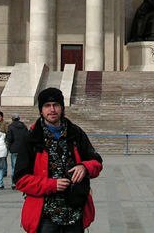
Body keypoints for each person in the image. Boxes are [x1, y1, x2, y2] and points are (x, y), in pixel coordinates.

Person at [14, 87, 103, 233]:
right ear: (41, 110)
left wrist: (84, 167)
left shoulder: (76, 133)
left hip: (74, 214)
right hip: (45, 216)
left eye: (56, 105)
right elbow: (20, 180)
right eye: (47, 106)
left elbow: (97, 162)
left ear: (62, 108)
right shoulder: (31, 138)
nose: (52, 109)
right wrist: (51, 185)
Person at [6, 113, 28, 188]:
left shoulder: (11, 127)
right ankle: (22, 181)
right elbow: (27, 137)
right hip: (23, 149)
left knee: (14, 167)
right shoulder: (24, 127)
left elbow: (9, 138)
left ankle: (14, 183)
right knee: (22, 166)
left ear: (12, 119)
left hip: (14, 149)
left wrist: (9, 146)